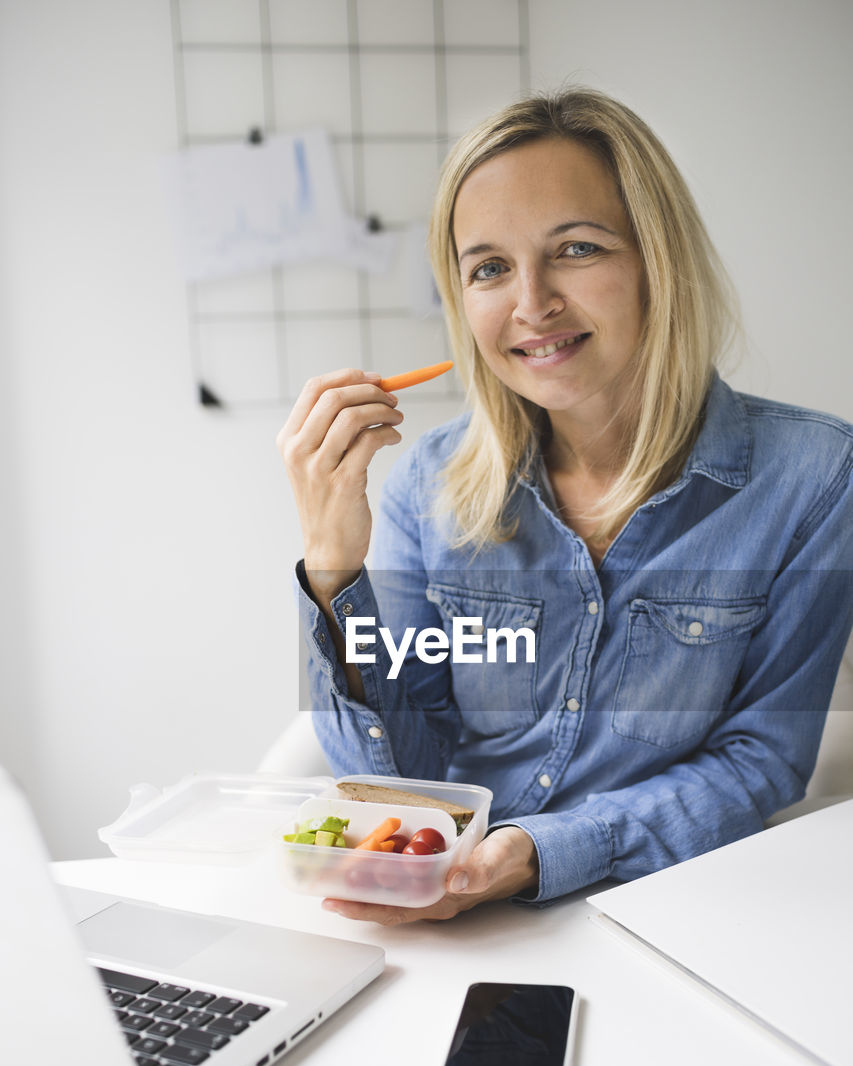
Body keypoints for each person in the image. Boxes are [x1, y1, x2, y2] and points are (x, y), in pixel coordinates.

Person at [277, 87, 853, 925]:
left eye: (576, 249)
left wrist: (538, 853)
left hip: (677, 912)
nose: (530, 303)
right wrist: (333, 567)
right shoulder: (421, 486)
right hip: (452, 918)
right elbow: (403, 774)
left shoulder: (814, 475)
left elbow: (758, 763)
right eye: (488, 268)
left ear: (658, 260)